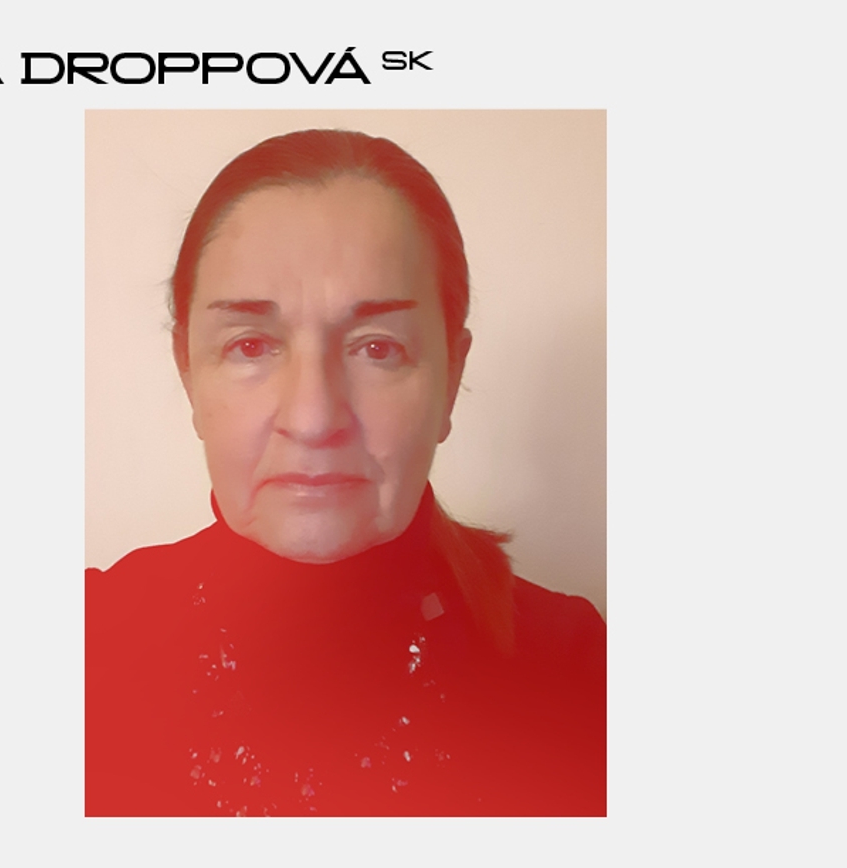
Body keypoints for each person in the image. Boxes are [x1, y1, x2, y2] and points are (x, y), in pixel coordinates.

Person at [85, 129, 606, 817]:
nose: (313, 417)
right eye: (250, 345)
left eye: (377, 349)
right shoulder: (89, 645)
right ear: (189, 373)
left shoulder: (572, 671)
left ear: (451, 379)